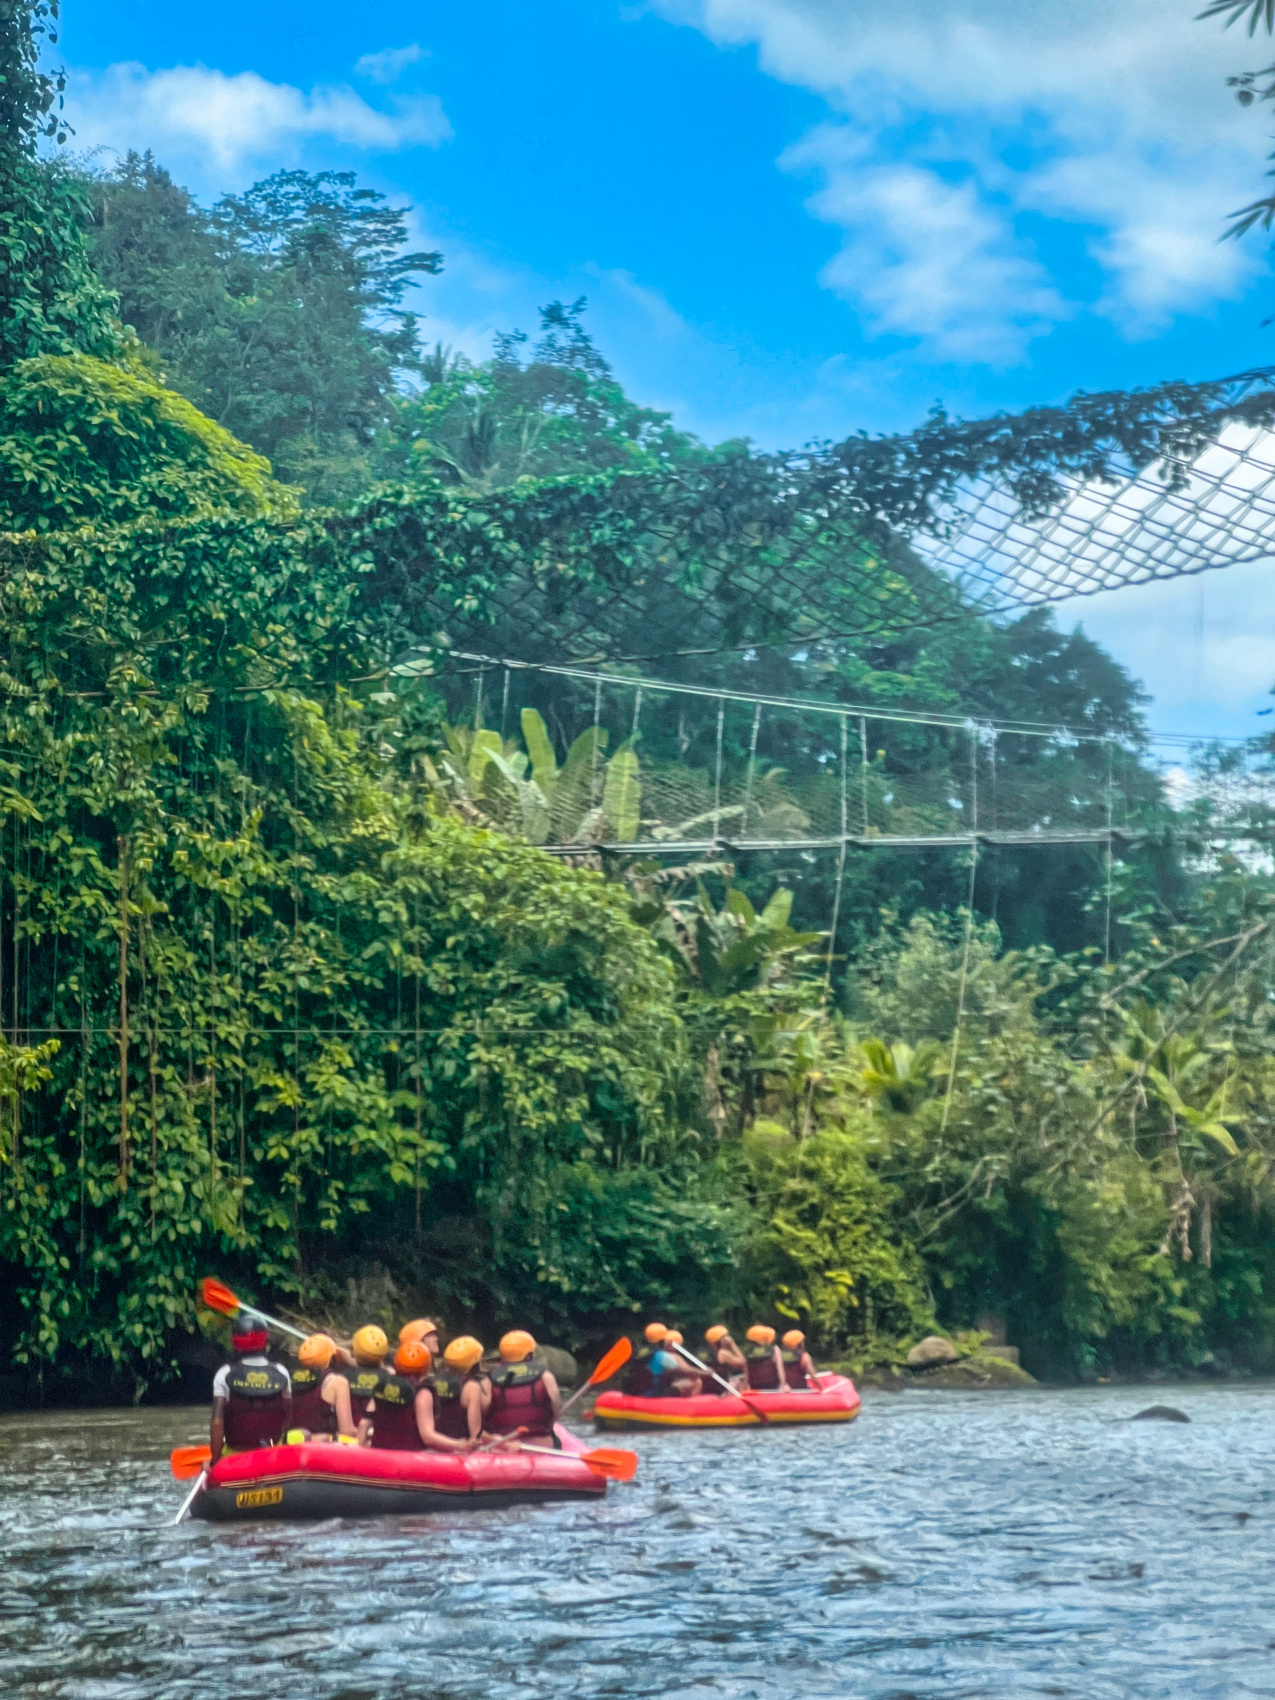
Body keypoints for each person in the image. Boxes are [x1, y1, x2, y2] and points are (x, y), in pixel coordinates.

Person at [209, 1322, 291, 1462]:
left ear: (235, 1343)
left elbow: (217, 1423)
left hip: (235, 1456)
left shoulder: (224, 1374)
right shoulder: (281, 1372)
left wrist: (214, 1460)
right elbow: (287, 1415)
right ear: (266, 1341)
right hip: (272, 1455)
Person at [485, 1330, 561, 1444]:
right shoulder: (546, 1377)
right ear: (529, 1355)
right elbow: (556, 1412)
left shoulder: (488, 1381)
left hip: (502, 1446)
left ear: (502, 1355)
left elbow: (479, 1420)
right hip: (541, 1445)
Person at [288, 1333, 356, 1439]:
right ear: (332, 1358)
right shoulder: (337, 1382)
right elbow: (347, 1431)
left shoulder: (288, 1378)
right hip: (321, 1448)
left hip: (289, 1447)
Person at [423, 1335, 489, 1443]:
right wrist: (497, 1439)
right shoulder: (472, 1388)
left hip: (436, 1444)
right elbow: (476, 1434)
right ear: (474, 1363)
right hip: (459, 1447)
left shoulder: (431, 1380)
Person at [346, 1324, 390, 1428]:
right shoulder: (390, 1378)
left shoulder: (343, 1377)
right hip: (377, 1433)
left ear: (355, 1350)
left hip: (348, 1434)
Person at [650, 1329, 701, 1397]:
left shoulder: (663, 1354)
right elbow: (686, 1370)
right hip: (661, 1388)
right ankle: (691, 1403)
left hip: (663, 1386)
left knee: (696, 1380)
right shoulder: (669, 1356)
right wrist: (703, 1372)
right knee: (696, 1381)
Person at [621, 1322, 668, 1396]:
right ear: (663, 1340)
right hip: (651, 1392)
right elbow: (679, 1367)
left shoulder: (639, 1350)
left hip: (633, 1390)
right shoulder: (662, 1354)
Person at [702, 1324, 745, 1391]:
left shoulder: (705, 1353)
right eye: (725, 1337)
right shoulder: (723, 1353)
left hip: (708, 1389)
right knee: (738, 1380)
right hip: (721, 1390)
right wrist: (733, 1344)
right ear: (720, 1340)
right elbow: (742, 1362)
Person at [743, 1324, 786, 1391]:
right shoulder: (774, 1349)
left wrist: (745, 1387)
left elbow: (746, 1371)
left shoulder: (749, 1351)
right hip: (772, 1387)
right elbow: (780, 1368)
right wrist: (784, 1384)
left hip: (754, 1387)